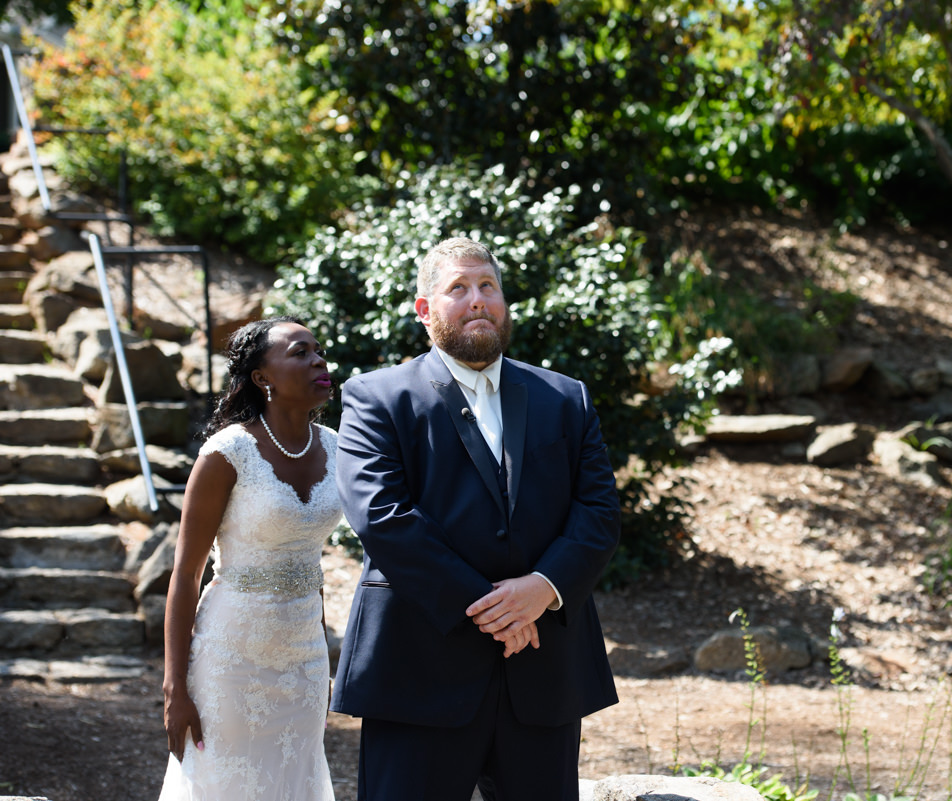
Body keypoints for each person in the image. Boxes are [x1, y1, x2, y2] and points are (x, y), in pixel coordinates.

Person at [332, 236, 621, 801]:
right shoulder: (375, 398)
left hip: (542, 672)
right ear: (425, 311)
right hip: (418, 672)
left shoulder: (566, 398)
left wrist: (543, 589)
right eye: (458, 289)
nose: (478, 300)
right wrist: (498, 611)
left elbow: (599, 510)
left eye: (488, 287)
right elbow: (383, 517)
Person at [158, 316, 340, 801]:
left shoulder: (339, 451)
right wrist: (175, 686)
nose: (318, 360)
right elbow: (186, 573)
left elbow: (310, 565)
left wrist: (319, 662)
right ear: (263, 378)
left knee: (294, 782)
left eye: (318, 350)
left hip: (304, 657)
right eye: (300, 352)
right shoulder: (227, 453)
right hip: (231, 658)